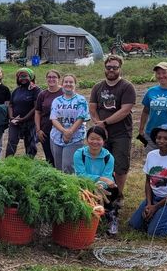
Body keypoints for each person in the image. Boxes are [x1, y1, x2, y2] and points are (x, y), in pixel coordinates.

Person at [89, 55, 135, 201]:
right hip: (102, 135)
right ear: (105, 68)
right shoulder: (97, 87)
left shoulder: (127, 87)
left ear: (119, 68)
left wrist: (105, 123)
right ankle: (103, 194)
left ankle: (118, 196)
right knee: (102, 164)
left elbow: (125, 110)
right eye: (109, 67)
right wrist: (98, 124)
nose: (111, 70)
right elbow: (92, 108)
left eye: (115, 67)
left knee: (120, 166)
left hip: (121, 133)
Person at [73, 126, 120, 235]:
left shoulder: (108, 157)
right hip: (83, 184)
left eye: (98, 139)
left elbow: (107, 177)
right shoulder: (79, 154)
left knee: (113, 190)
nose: (95, 142)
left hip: (102, 186)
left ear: (103, 141)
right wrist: (100, 179)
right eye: (91, 138)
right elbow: (81, 175)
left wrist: (100, 184)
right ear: (86, 139)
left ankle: (112, 218)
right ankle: (84, 220)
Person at [50, 74, 90, 174]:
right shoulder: (56, 101)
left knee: (68, 166)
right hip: (56, 137)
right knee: (58, 168)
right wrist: (64, 131)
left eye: (71, 82)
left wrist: (70, 132)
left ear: (75, 84)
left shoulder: (81, 100)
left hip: (75, 137)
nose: (68, 84)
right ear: (62, 84)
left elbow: (81, 117)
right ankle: (61, 188)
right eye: (66, 82)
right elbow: (53, 118)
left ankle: (72, 187)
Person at [6, 68, 40, 157]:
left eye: (25, 76)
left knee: (30, 145)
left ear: (31, 77)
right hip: (15, 122)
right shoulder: (16, 91)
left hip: (30, 122)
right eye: (20, 76)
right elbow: (10, 105)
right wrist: (11, 116)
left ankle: (28, 164)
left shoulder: (35, 90)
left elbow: (36, 107)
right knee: (11, 142)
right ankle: (8, 163)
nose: (23, 78)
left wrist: (24, 118)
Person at [34, 69, 63, 166]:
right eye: (49, 77)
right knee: (49, 158)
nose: (51, 79)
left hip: (61, 131)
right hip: (46, 131)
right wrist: (38, 130)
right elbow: (37, 112)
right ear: (46, 79)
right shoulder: (42, 94)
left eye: (54, 77)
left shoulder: (64, 92)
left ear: (59, 79)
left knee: (62, 159)